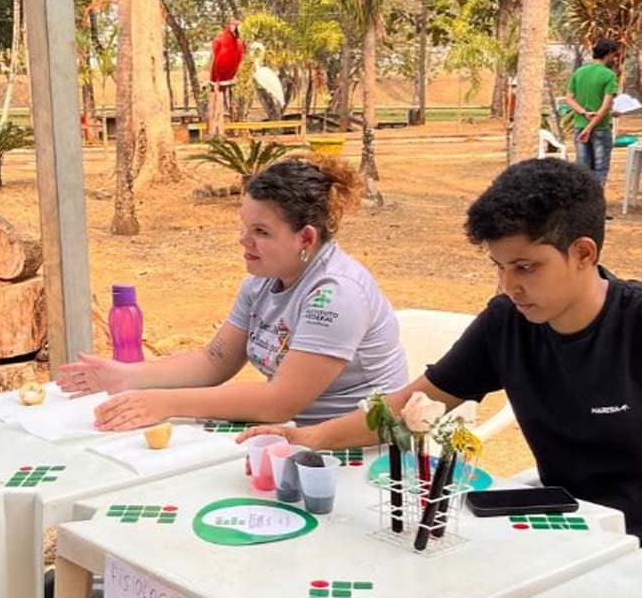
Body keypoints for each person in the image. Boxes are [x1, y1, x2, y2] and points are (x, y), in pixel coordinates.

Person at [238, 158, 642, 540]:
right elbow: (415, 402)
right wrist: (311, 438)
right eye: (498, 266)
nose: (508, 285)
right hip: (575, 528)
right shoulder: (507, 323)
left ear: (583, 254)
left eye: (526, 266)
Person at [60, 157, 408, 431]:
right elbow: (213, 361)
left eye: (261, 231)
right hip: (292, 434)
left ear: (306, 238)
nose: (244, 240)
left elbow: (278, 402)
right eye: (244, 225)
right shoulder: (262, 280)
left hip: (357, 446)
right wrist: (128, 376)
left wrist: (166, 403)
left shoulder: (335, 294)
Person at [564, 38, 619, 187]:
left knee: (582, 170)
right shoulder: (609, 75)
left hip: (580, 126)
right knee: (600, 169)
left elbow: (568, 99)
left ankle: (581, 205)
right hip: (600, 128)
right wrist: (590, 128)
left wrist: (583, 113)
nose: (614, 58)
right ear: (608, 54)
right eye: (614, 55)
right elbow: (604, 107)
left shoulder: (579, 72)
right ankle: (595, 205)